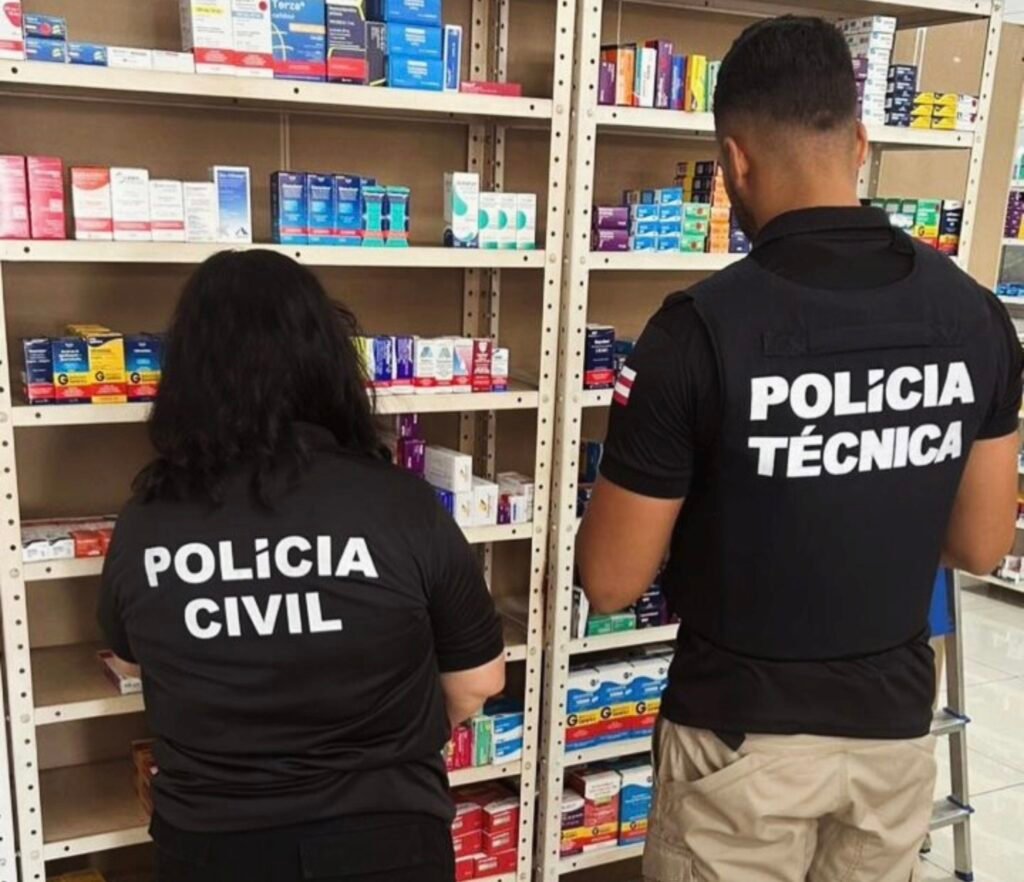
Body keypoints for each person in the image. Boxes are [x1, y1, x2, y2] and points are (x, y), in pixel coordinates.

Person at [577, 16, 1022, 882]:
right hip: (893, 735)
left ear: (733, 160)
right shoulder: (974, 317)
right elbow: (981, 545)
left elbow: (612, 580)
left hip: (739, 741)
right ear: (859, 143)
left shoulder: (695, 333)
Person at [98, 250, 506, 882]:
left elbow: (130, 662)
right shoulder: (399, 504)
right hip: (386, 839)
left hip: (214, 848)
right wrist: (390, 745)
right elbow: (478, 682)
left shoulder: (145, 521)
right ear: (328, 365)